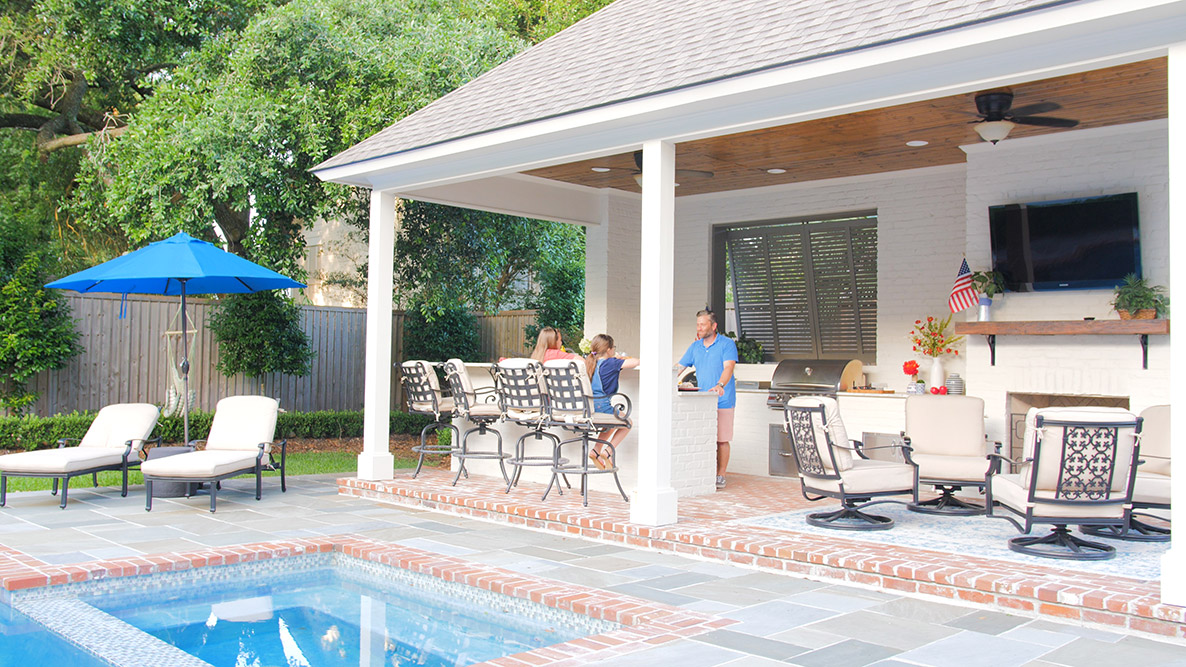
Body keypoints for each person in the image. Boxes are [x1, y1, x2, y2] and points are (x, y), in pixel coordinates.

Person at [675, 309, 737, 490]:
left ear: (713, 326)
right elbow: (679, 368)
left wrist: (720, 385)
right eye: (697, 324)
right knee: (704, 438)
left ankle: (721, 474)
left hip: (723, 399)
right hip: (702, 402)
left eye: (702, 324)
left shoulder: (726, 344)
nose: (699, 328)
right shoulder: (695, 347)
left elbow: (728, 368)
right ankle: (705, 472)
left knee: (722, 439)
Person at [584, 334, 639, 470]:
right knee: (627, 422)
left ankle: (596, 450)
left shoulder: (590, 362)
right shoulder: (611, 363)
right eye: (613, 348)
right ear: (608, 349)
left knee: (612, 421)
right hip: (602, 406)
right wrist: (620, 358)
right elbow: (636, 361)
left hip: (589, 408)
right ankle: (608, 451)